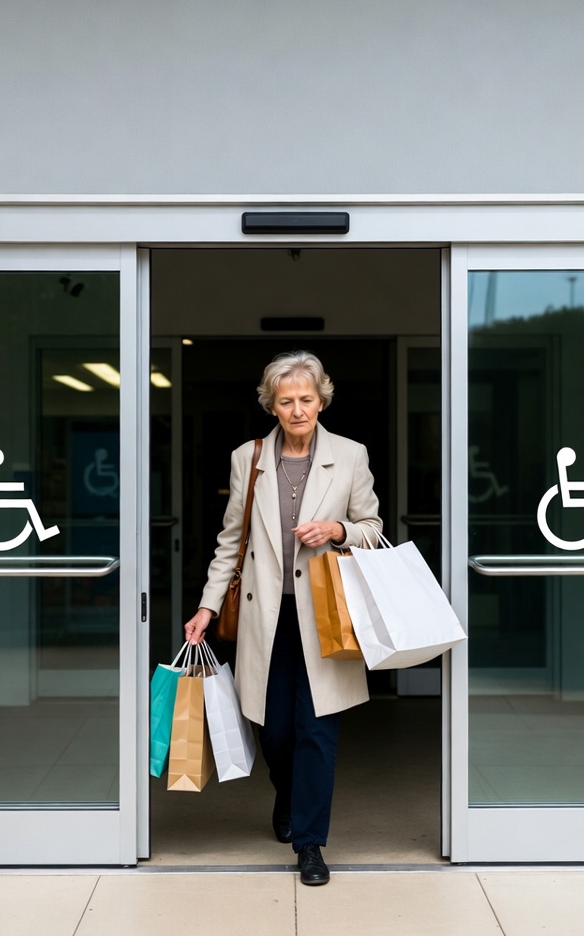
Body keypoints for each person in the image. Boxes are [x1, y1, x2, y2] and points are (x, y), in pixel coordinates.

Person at [184, 350, 382, 886]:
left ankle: (310, 842)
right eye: (287, 401)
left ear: (322, 400)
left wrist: (337, 530)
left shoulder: (350, 454)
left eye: (307, 400)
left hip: (325, 614)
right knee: (272, 728)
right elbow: (231, 541)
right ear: (271, 405)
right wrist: (206, 606)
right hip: (262, 616)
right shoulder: (246, 458)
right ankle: (290, 797)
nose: (298, 410)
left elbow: (372, 526)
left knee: (318, 729)